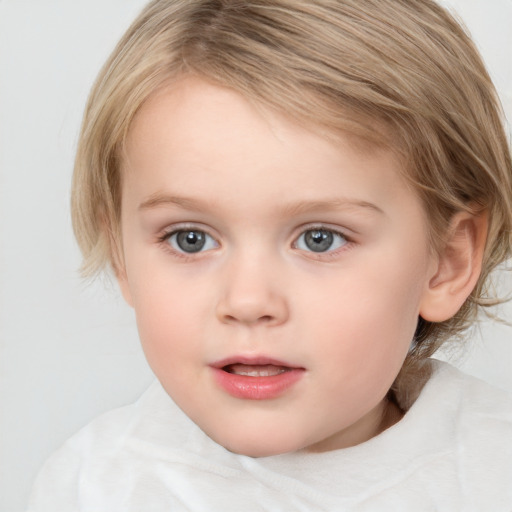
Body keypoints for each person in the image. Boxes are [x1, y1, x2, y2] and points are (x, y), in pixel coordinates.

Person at [28, 0, 512, 510]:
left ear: (447, 261)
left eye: (319, 238)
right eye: (189, 238)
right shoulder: (91, 489)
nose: (248, 300)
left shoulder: (492, 473)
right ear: (122, 256)